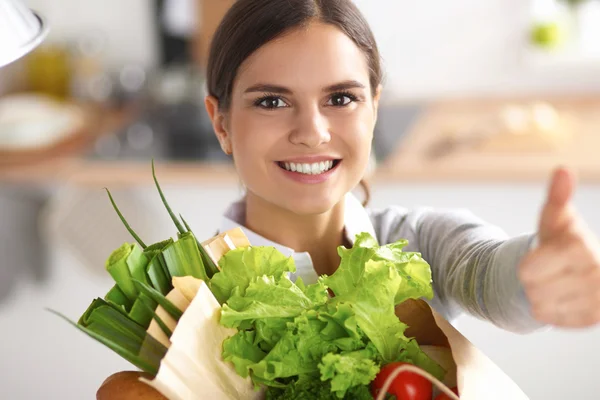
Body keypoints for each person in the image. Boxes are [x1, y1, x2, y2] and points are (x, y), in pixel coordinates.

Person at [97, 0, 600, 398]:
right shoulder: (191, 302)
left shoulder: (414, 243)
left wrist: (537, 276)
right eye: (272, 101)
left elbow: (484, 271)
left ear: (374, 108)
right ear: (221, 122)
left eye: (341, 98)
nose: (312, 133)